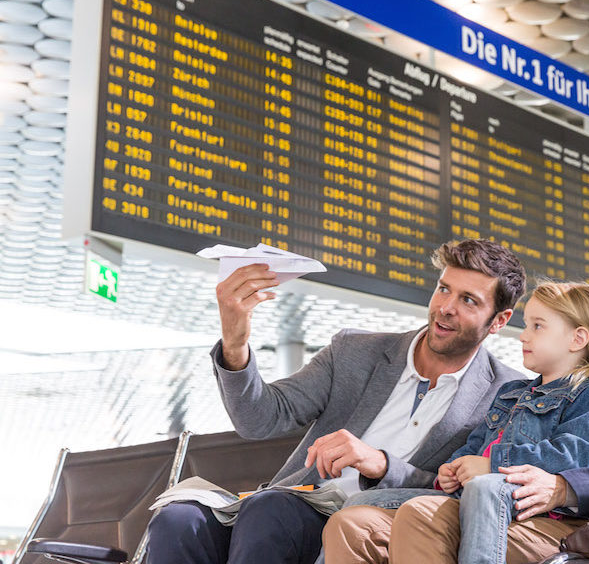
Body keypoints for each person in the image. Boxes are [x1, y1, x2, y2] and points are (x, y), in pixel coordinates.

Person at [322, 231, 589, 563]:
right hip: (525, 503)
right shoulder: (585, 362)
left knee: (422, 518)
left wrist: (564, 485)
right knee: (354, 525)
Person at [146, 239, 527, 564]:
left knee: (270, 511)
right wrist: (235, 343)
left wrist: (380, 464)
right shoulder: (355, 351)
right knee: (177, 519)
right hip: (299, 504)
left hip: (376, 524)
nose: (446, 307)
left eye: (469, 301)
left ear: (499, 320)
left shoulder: (509, 393)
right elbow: (259, 420)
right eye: (443, 289)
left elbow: (464, 491)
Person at [336, 282, 589, 564]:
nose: (523, 336)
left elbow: (572, 458)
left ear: (577, 339)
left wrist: (492, 464)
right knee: (356, 503)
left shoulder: (587, 394)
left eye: (537, 326)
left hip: (517, 501)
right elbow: (475, 444)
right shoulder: (511, 392)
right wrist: (453, 467)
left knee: (482, 489)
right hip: (466, 493)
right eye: (526, 325)